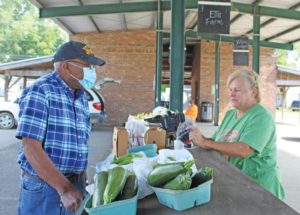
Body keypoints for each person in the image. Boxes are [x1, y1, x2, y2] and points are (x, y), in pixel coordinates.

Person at [16, 41, 105, 214]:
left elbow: (78, 140)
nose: (92, 72)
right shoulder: (40, 91)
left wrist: (81, 172)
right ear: (66, 66)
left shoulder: (80, 96)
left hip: (74, 184)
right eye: (88, 66)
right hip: (46, 186)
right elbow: (30, 146)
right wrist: (64, 188)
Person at [189, 70, 285, 200]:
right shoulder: (230, 114)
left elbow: (244, 149)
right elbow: (217, 142)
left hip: (261, 190)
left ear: (254, 91)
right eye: (230, 90)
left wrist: (207, 143)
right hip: (237, 185)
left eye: (237, 90)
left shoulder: (262, 117)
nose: (231, 94)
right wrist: (199, 138)